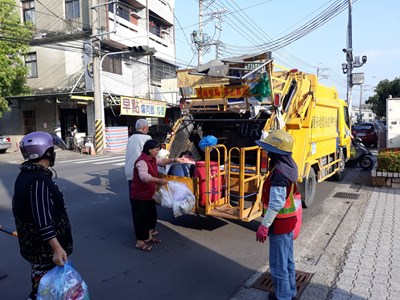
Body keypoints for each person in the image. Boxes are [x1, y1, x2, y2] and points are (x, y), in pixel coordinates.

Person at [12, 131, 72, 300]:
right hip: (44, 251)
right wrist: (57, 248)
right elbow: (42, 220)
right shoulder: (38, 180)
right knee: (46, 290)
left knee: (43, 286)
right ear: (46, 152)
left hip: (36, 247)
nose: (54, 153)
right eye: (52, 150)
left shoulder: (26, 174)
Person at [255, 130, 299, 300]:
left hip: (279, 224)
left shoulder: (279, 174)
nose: (267, 153)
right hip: (288, 222)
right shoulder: (289, 166)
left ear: (276, 152)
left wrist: (264, 226)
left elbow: (276, 204)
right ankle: (290, 293)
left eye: (269, 150)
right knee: (288, 260)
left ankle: (283, 297)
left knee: (278, 264)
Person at [130, 139, 184, 252]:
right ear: (149, 150)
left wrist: (175, 159)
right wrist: (159, 181)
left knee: (151, 217)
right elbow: (144, 177)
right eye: (156, 150)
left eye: (158, 150)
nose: (157, 152)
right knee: (141, 219)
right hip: (139, 195)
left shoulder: (152, 159)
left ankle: (148, 237)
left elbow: (162, 161)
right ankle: (140, 242)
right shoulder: (142, 162)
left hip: (149, 194)